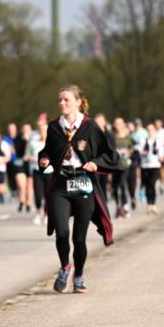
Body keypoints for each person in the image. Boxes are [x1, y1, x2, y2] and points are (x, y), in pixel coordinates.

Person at [38, 85, 118, 294]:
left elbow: (109, 154)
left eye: (66, 100)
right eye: (60, 100)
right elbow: (47, 149)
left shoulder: (90, 126)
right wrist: (44, 159)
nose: (62, 103)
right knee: (62, 232)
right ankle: (65, 267)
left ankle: (79, 276)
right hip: (62, 184)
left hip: (83, 183)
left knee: (79, 238)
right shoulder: (55, 127)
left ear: (77, 102)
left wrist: (96, 163)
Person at [25, 120, 49, 225]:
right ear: (38, 131)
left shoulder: (51, 144)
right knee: (38, 196)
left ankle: (47, 214)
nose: (43, 132)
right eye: (41, 130)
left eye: (45, 130)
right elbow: (26, 156)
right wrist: (31, 158)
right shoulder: (33, 143)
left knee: (48, 196)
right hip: (37, 172)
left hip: (50, 172)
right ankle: (38, 213)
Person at [138, 123, 164, 215]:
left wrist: (161, 157)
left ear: (154, 131)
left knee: (152, 184)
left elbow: (161, 153)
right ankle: (149, 204)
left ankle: (153, 203)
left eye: (152, 130)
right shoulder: (142, 141)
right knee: (146, 185)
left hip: (155, 166)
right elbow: (140, 152)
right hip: (145, 166)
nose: (150, 132)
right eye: (148, 130)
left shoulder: (158, 141)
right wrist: (144, 153)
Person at [111, 117, 134, 218]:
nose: (118, 126)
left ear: (123, 124)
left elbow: (133, 147)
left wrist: (129, 152)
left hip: (125, 165)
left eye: (120, 123)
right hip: (115, 165)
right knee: (115, 187)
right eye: (116, 124)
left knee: (122, 183)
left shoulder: (128, 136)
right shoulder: (112, 137)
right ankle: (118, 207)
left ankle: (125, 206)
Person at [12, 123, 33, 213]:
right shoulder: (18, 138)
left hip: (31, 164)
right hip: (20, 163)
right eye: (24, 129)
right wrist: (24, 140)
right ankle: (21, 200)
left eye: (27, 129)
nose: (26, 131)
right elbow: (16, 149)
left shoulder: (34, 138)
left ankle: (28, 203)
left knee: (29, 185)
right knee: (21, 185)